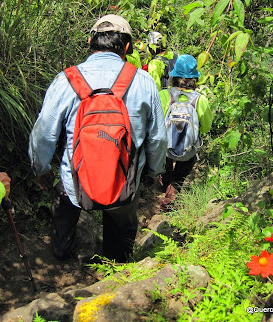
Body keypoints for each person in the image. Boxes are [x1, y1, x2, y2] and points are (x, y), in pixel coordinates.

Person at [28, 14, 167, 262]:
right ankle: (117, 263)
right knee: (122, 220)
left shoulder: (66, 80)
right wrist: (153, 173)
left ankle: (63, 253)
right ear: (127, 48)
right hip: (124, 183)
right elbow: (157, 139)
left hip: (75, 184)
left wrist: (41, 169)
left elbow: (43, 135)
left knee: (64, 200)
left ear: (90, 41)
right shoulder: (144, 81)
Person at [158, 54, 213, 210]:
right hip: (188, 150)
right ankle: (173, 190)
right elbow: (206, 127)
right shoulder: (200, 100)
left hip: (165, 149)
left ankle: (165, 182)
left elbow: (157, 124)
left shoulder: (164, 95)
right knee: (184, 166)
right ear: (194, 78)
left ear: (173, 76)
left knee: (165, 159)